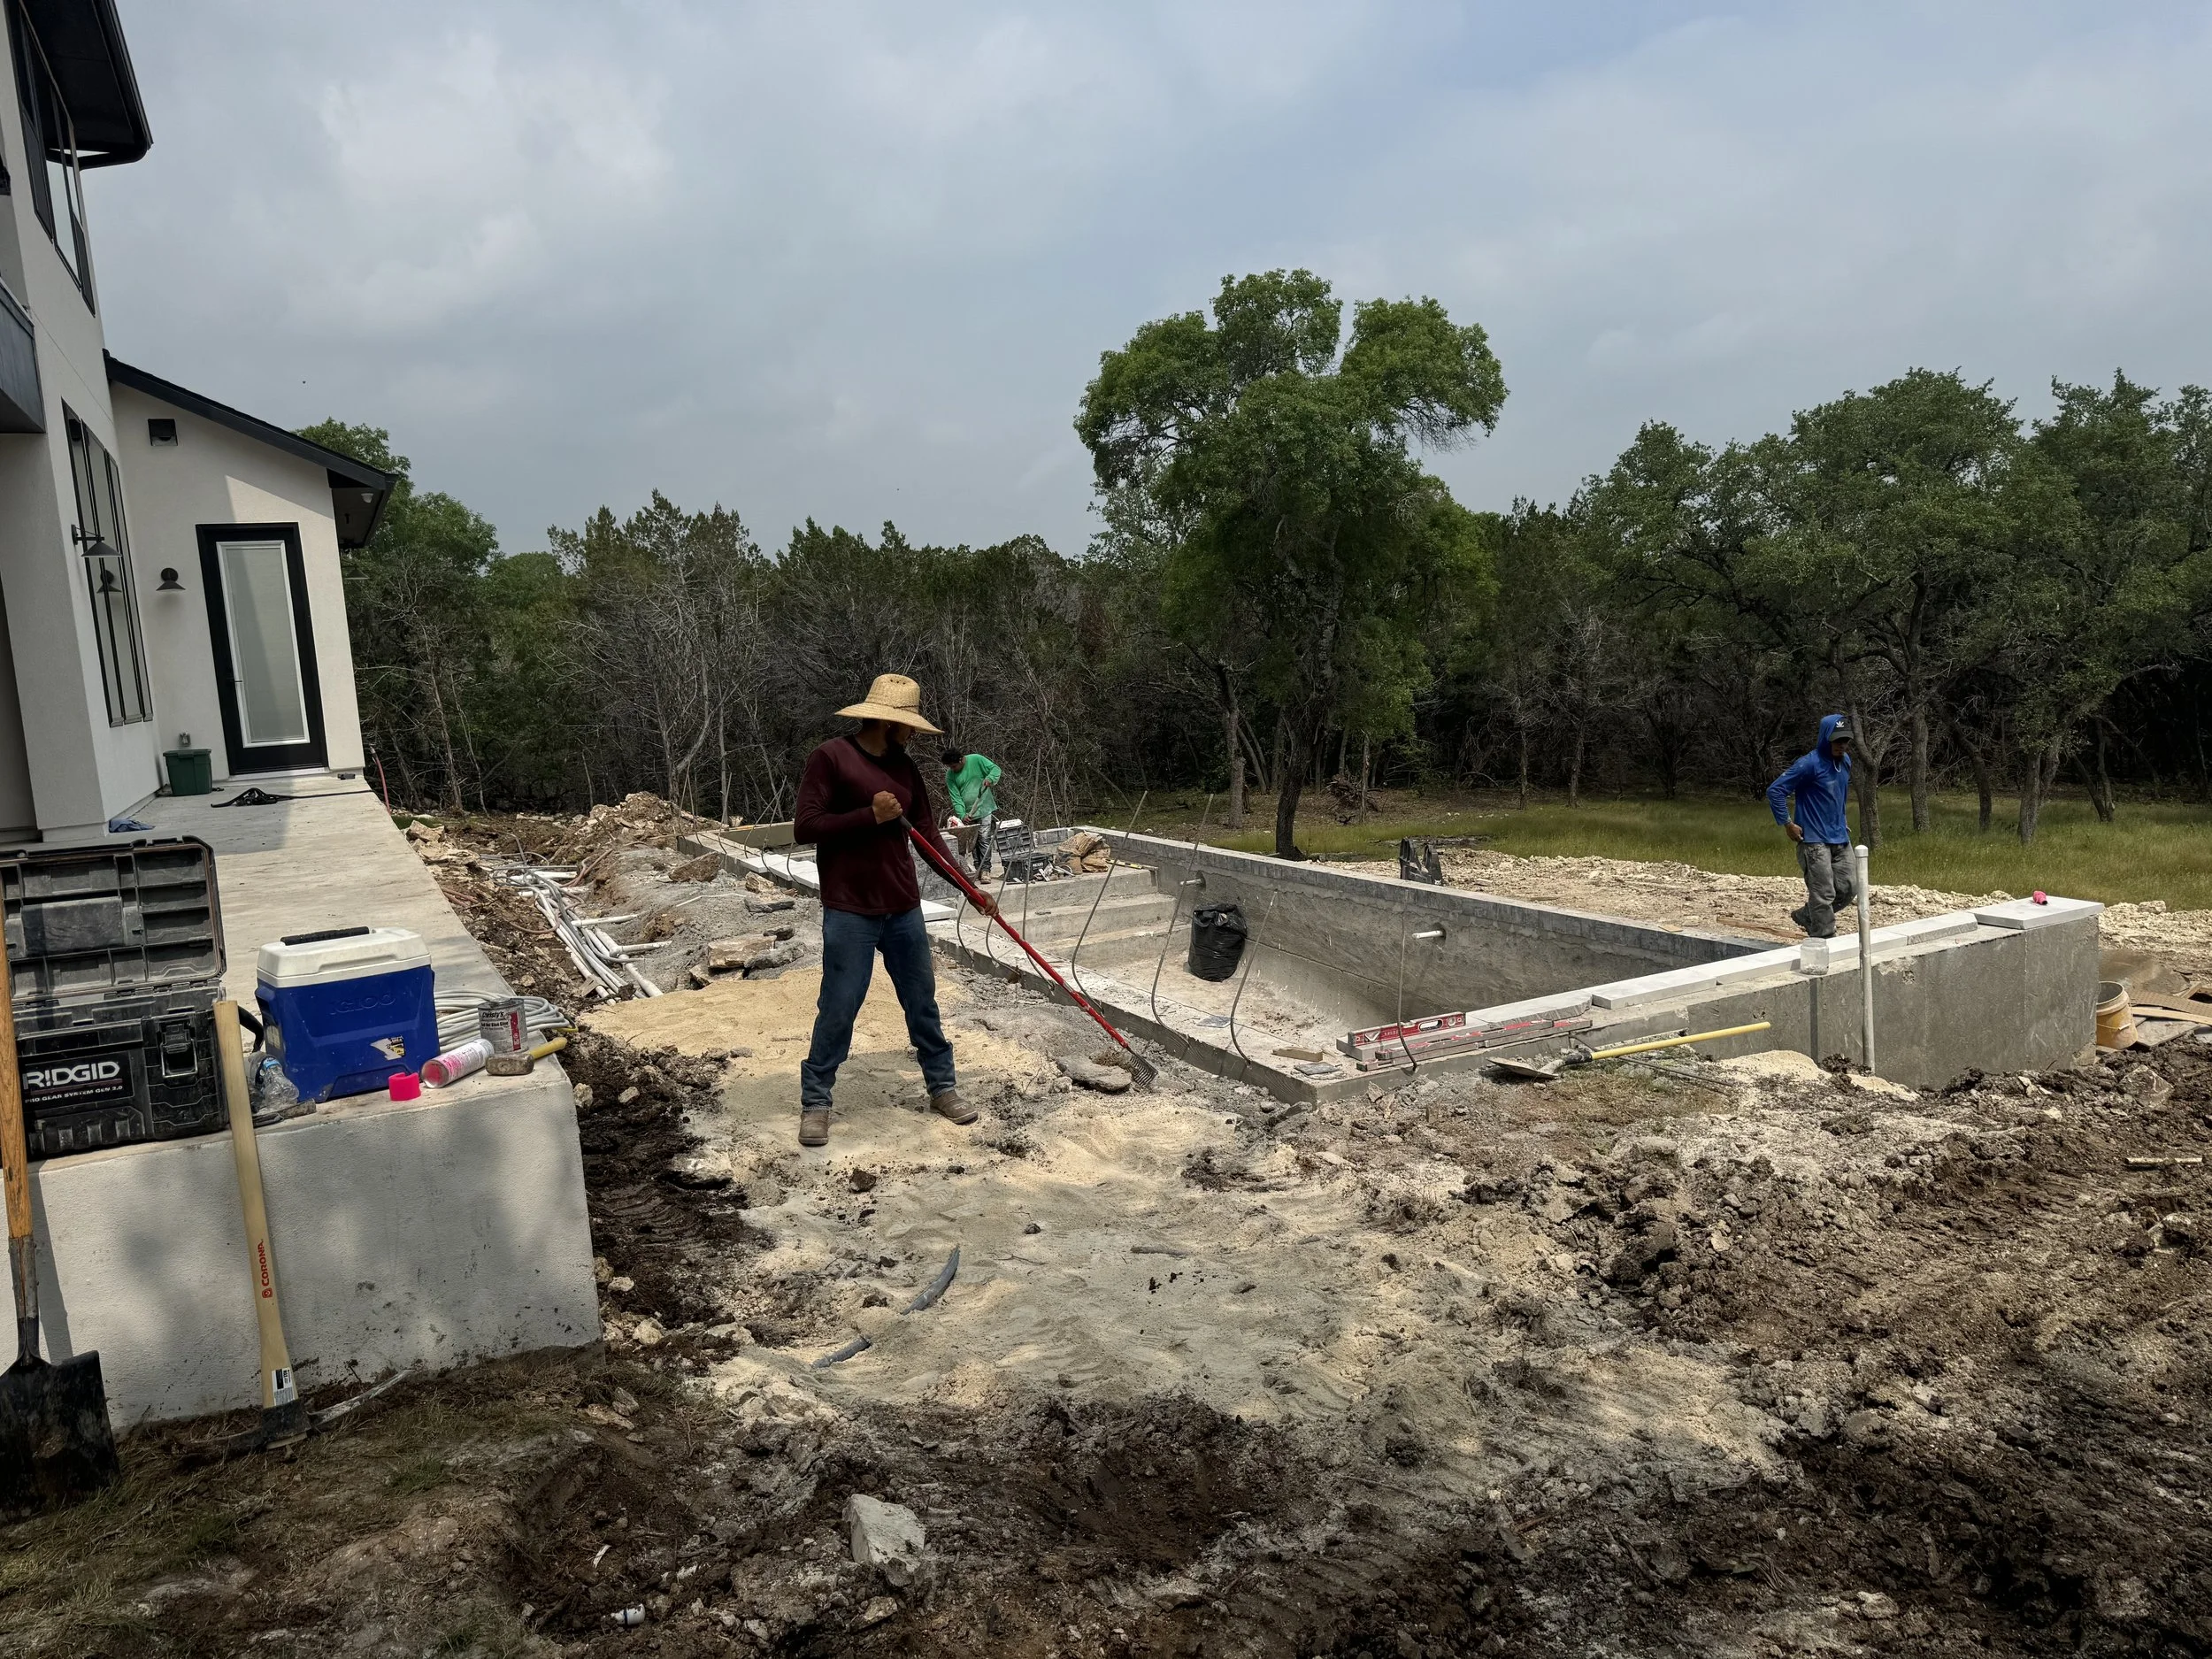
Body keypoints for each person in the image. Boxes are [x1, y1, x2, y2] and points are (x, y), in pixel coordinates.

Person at [792, 672, 985, 1148]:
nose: (914, 734)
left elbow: (927, 837)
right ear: (885, 721)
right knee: (839, 1006)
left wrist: (968, 886)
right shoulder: (831, 758)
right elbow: (805, 826)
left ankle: (943, 1087)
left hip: (903, 908)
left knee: (922, 1002)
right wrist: (868, 817)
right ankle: (816, 1101)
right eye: (908, 725)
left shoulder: (905, 768)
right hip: (850, 909)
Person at [1767, 713, 1856, 938]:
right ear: (1826, 738)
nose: (1842, 746)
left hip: (1839, 837)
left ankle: (1809, 915)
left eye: (1845, 741)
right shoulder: (1809, 764)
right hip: (1814, 840)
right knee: (1823, 894)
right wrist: (1787, 823)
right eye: (1837, 741)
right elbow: (1775, 790)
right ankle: (1823, 937)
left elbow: (1839, 795)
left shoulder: (1845, 762)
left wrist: (1841, 819)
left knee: (1849, 887)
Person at [941, 747, 1003, 877]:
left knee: (984, 839)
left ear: (960, 760)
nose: (952, 769)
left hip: (984, 806)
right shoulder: (950, 775)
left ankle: (986, 869)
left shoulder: (976, 759)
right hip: (969, 813)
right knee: (973, 842)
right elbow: (956, 797)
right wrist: (962, 814)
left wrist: (990, 779)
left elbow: (995, 769)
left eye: (953, 766)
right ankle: (978, 868)